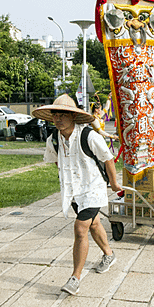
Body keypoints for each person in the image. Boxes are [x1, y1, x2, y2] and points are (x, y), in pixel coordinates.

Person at [38, 94, 122, 295]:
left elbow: (108, 159)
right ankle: (109, 255)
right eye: (55, 115)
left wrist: (113, 183)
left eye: (64, 115)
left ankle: (75, 278)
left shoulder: (89, 136)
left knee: (80, 228)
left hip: (92, 188)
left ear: (74, 116)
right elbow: (58, 163)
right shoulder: (53, 140)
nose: (59, 119)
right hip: (74, 193)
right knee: (94, 224)